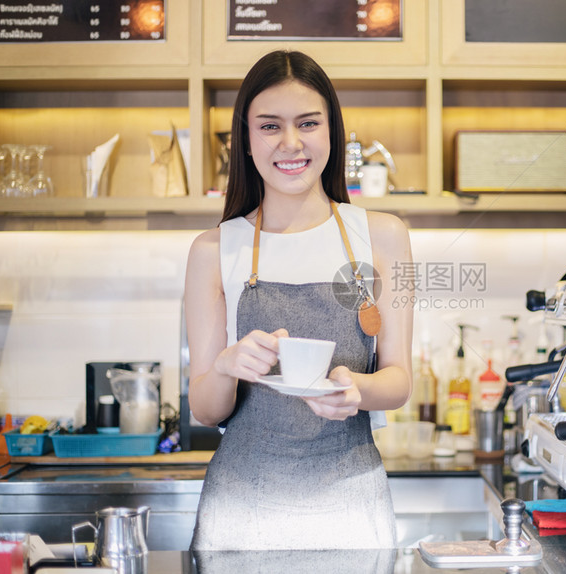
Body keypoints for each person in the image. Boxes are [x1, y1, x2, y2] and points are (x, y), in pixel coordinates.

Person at [184, 50, 414, 551]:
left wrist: (356, 390)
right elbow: (204, 409)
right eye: (269, 126)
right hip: (242, 505)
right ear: (246, 139)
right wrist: (226, 366)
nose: (291, 143)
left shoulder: (384, 236)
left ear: (332, 131)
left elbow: (399, 382)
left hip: (352, 502)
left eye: (308, 123)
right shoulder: (213, 250)